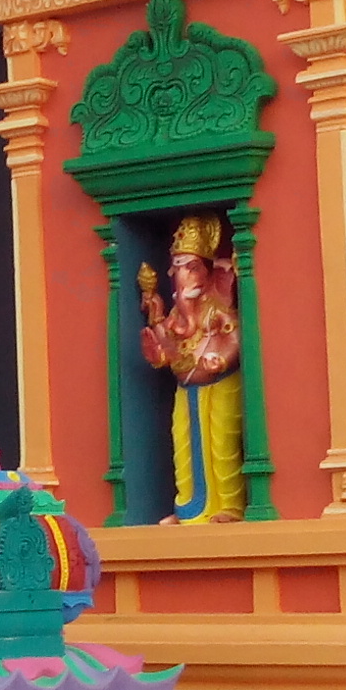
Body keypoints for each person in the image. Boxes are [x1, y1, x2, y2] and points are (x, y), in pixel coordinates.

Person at [138, 213, 247, 522]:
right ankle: (186, 509)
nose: (183, 276)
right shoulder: (175, 314)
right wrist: (156, 343)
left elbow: (235, 336)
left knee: (221, 444)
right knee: (184, 444)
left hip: (220, 384)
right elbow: (169, 349)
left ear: (209, 272)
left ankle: (229, 506)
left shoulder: (218, 307)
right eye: (179, 267)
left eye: (192, 267)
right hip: (186, 389)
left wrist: (222, 358)